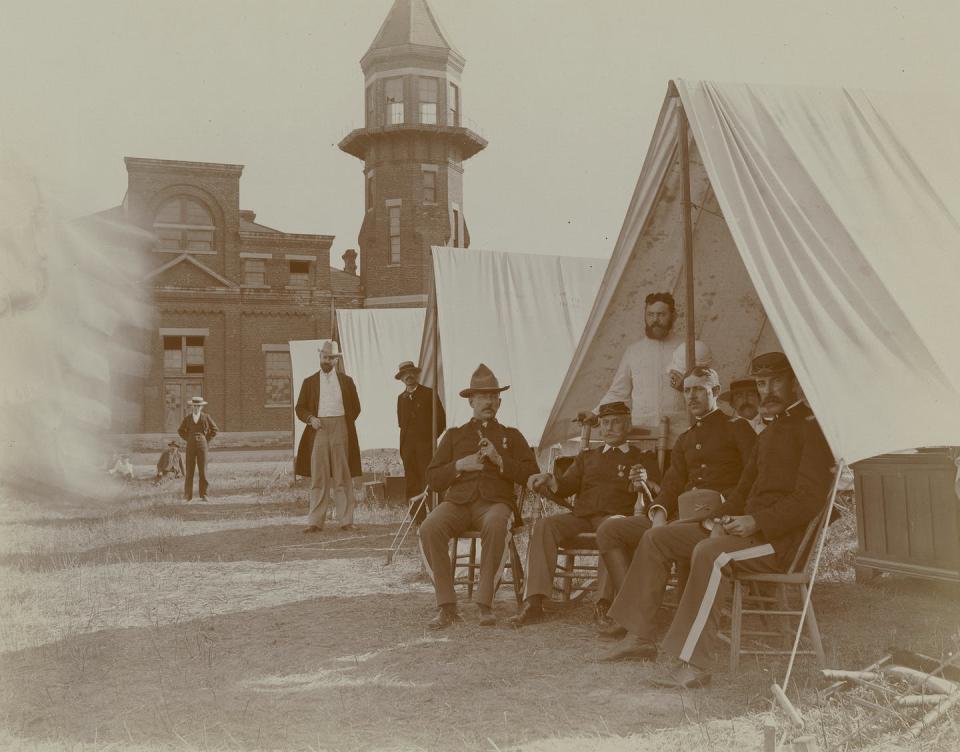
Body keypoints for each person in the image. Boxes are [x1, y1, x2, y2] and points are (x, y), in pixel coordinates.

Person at [599, 352, 835, 691]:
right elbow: (742, 490)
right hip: (746, 528)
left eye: (776, 382)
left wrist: (756, 521)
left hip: (778, 541)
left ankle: (694, 665)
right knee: (657, 538)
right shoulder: (770, 431)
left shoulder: (812, 428)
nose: (767, 391)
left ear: (795, 383)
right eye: (762, 383)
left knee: (711, 554)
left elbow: (809, 499)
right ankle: (640, 636)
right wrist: (716, 519)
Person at [595, 367, 757, 630]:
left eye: (698, 390)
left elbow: (752, 480)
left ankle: (634, 622)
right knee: (610, 530)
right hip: (678, 517)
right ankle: (633, 609)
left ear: (715, 392)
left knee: (658, 537)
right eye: (687, 390)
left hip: (717, 520)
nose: (691, 396)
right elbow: (671, 485)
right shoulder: (685, 438)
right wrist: (658, 515)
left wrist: (721, 513)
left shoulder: (738, 429)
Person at [509, 401, 658, 627]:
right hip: (582, 517)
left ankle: (604, 604)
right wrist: (549, 479)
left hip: (615, 519)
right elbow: (566, 485)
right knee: (544, 526)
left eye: (616, 422)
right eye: (605, 423)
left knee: (611, 531)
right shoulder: (588, 456)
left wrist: (644, 482)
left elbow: (655, 493)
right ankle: (534, 602)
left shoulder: (642, 457)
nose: (608, 428)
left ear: (627, 426)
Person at [418, 364, 538, 629]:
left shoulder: (511, 436)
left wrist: (500, 460)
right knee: (429, 527)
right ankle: (446, 606)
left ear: (500, 402)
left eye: (494, 397)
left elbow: (532, 474)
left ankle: (485, 603)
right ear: (471, 400)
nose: (489, 402)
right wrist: (460, 465)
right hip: (458, 503)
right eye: (483, 397)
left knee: (497, 524)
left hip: (495, 503)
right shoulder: (453, 436)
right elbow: (433, 478)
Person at [581, 291, 712, 451]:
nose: (655, 320)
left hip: (680, 435)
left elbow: (708, 390)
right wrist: (595, 414)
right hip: (642, 437)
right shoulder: (633, 351)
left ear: (674, 316)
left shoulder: (688, 349)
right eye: (650, 315)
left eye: (661, 314)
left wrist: (685, 386)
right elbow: (618, 391)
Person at [295, 340, 362, 533]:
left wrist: (343, 423)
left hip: (341, 427)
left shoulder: (346, 381)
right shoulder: (309, 382)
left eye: (331, 358)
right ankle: (315, 522)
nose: (327, 360)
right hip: (319, 429)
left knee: (342, 475)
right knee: (319, 476)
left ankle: (346, 520)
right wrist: (311, 419)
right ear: (319, 357)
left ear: (336, 360)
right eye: (324, 357)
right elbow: (300, 408)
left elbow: (356, 407)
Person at [396, 360, 446, 522]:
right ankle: (418, 519)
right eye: (405, 374)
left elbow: (441, 420)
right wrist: (405, 447)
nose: (409, 376)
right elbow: (401, 424)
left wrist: (429, 440)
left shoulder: (429, 393)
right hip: (407, 449)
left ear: (417, 374)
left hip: (426, 448)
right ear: (402, 378)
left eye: (412, 373)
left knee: (429, 481)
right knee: (412, 482)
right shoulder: (401, 398)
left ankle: (437, 517)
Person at [178, 396, 218, 501]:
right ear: (192, 407)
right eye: (194, 406)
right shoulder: (188, 418)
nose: (196, 408)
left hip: (202, 446)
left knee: (203, 471)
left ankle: (204, 494)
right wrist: (188, 438)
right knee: (189, 470)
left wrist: (206, 440)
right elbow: (180, 431)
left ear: (201, 407)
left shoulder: (206, 417)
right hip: (190, 446)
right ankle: (187, 495)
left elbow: (215, 430)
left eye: (198, 406)